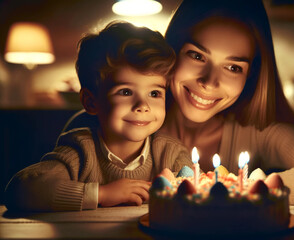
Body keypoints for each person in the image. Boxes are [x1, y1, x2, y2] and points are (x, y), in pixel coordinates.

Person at [62, 0, 294, 206]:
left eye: (233, 67)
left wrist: (226, 188)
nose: (209, 81)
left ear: (252, 77)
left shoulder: (258, 132)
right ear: (171, 53)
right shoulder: (101, 128)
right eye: (196, 56)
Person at [4, 21, 193, 212]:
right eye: (126, 92)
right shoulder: (80, 151)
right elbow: (18, 191)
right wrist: (101, 194)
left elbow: (197, 192)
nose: (143, 106)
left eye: (154, 93)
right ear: (91, 101)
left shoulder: (171, 153)